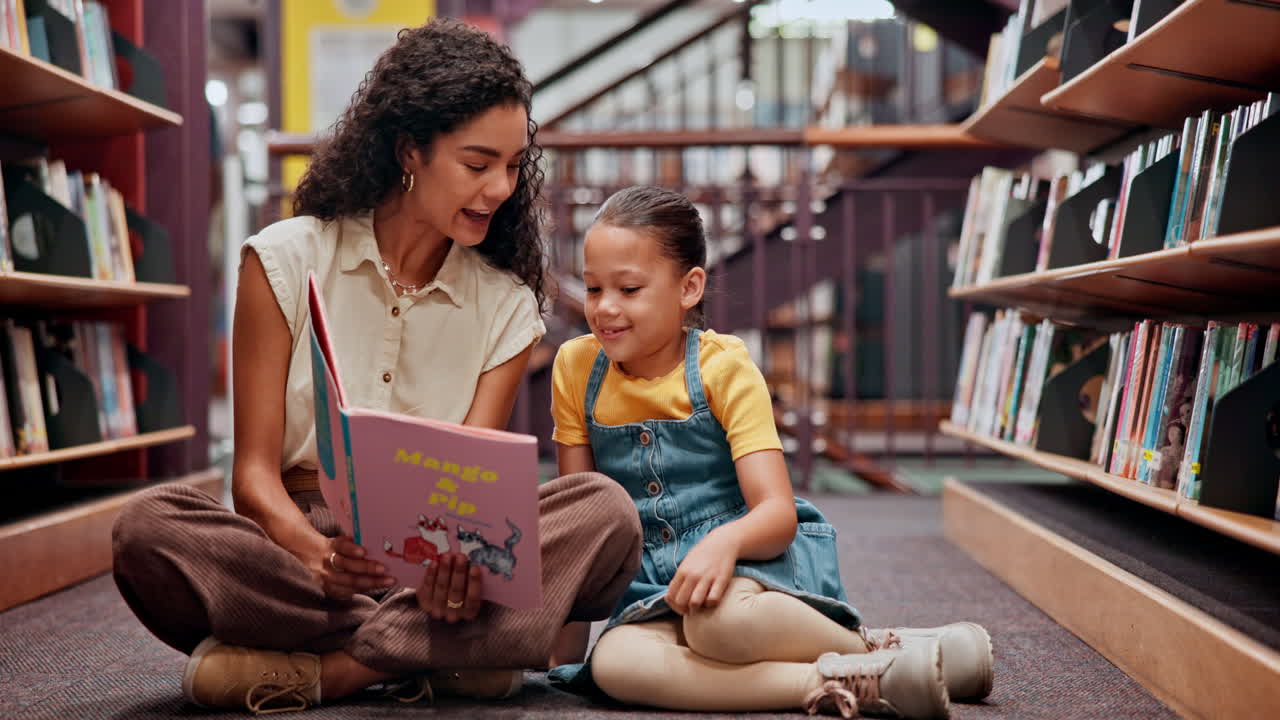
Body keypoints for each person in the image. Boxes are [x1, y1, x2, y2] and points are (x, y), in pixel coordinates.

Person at [111, 20, 641, 714]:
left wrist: (454, 571)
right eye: (477, 164)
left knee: (605, 514)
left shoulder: (508, 307)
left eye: (513, 166)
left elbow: (476, 506)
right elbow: (252, 478)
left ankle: (336, 671)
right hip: (300, 558)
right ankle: (452, 656)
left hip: (436, 569)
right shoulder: (282, 259)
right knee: (149, 529)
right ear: (409, 151)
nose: (500, 189)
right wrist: (314, 554)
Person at [545, 186, 992, 719]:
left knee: (721, 624)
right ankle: (865, 680)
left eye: (630, 289)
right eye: (594, 289)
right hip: (649, 596)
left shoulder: (725, 368)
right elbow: (584, 527)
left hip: (750, 571)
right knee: (615, 665)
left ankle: (877, 649)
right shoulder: (575, 369)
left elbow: (776, 514)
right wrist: (558, 652)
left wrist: (723, 544)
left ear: (689, 288)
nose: (605, 309)